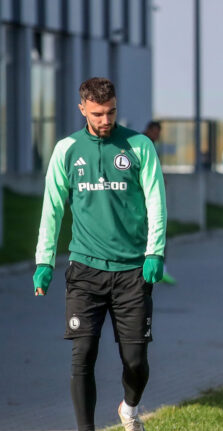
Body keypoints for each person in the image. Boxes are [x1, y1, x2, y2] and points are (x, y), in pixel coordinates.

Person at [32, 77, 167, 431]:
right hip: (85, 271)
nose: (105, 120)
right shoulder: (67, 150)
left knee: (135, 361)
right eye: (97, 114)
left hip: (131, 272)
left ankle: (130, 408)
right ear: (82, 109)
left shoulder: (138, 146)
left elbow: (156, 202)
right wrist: (43, 261)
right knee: (83, 356)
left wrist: (155, 252)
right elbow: (52, 209)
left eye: (111, 112)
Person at [142, 121, 176, 285]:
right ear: (149, 130)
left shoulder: (152, 145)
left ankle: (161, 268)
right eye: (155, 132)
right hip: (142, 198)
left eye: (158, 133)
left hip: (151, 197)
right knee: (149, 230)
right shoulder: (141, 142)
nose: (157, 135)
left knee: (159, 228)